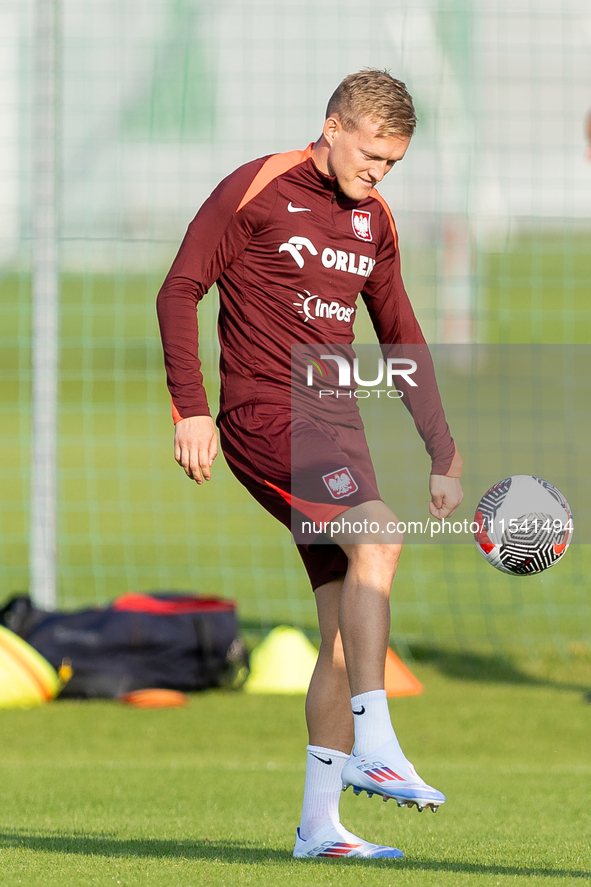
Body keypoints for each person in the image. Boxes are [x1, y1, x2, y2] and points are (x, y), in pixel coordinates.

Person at [157, 69, 463, 860]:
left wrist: (442, 446)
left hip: (337, 426)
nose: (378, 172)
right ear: (333, 127)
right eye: (370, 154)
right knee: (380, 537)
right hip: (264, 414)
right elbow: (179, 288)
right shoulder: (258, 186)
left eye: (392, 163)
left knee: (338, 624)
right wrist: (191, 406)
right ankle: (378, 741)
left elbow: (401, 336)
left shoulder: (374, 221)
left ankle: (320, 828)